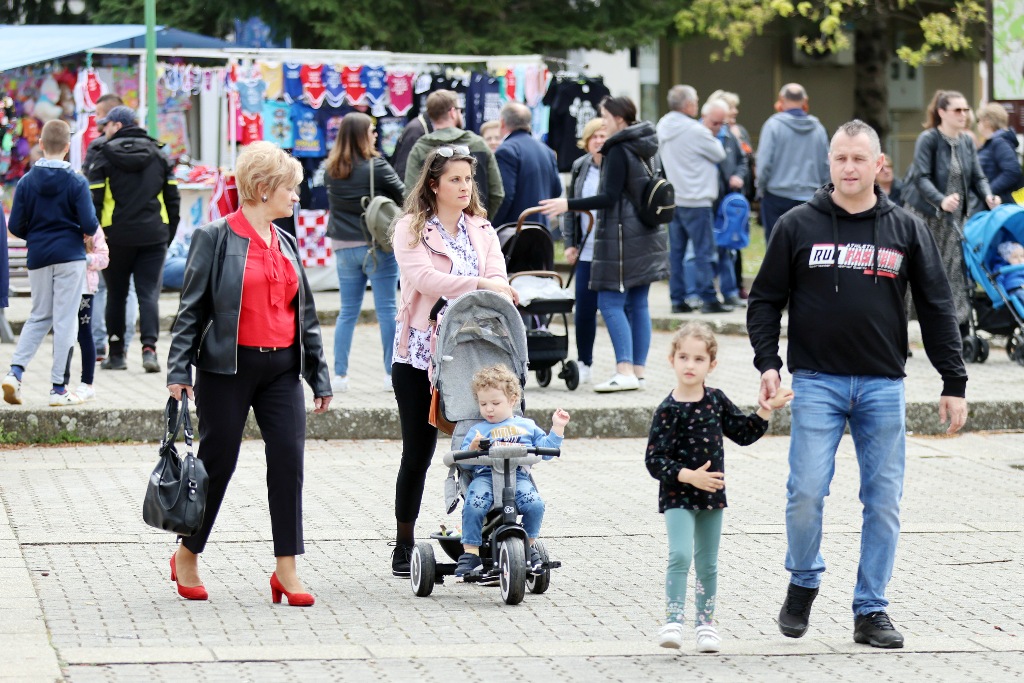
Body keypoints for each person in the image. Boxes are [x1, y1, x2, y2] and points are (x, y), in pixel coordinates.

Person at [747, 120, 969, 649]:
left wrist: (953, 380)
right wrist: (768, 362)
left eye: (859, 158)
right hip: (816, 382)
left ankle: (871, 609)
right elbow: (765, 300)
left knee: (884, 501)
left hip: (883, 385)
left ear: (878, 165)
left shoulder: (906, 228)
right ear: (829, 163)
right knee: (805, 492)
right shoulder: (797, 225)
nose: (849, 167)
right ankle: (804, 580)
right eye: (841, 158)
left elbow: (937, 307)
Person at [165, 142, 332, 605]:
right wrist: (178, 369)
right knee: (218, 464)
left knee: (288, 464)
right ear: (262, 189)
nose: (296, 196)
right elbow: (190, 310)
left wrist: (319, 376)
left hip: (283, 370)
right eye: (290, 188)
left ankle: (286, 569)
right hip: (227, 368)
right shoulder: (215, 237)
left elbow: (305, 316)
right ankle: (187, 553)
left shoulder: (286, 242)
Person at [389, 145, 518, 577]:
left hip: (473, 351)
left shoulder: (482, 228)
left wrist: (492, 284)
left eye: (468, 179)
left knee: (486, 447)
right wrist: (481, 283)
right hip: (419, 354)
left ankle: (482, 538)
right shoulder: (410, 228)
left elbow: (498, 275)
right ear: (433, 185)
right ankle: (404, 542)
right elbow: (424, 278)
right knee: (418, 453)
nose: (465, 187)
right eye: (455, 180)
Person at [648, 322, 792, 652]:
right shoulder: (667, 410)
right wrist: (688, 475)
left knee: (708, 563)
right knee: (680, 555)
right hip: (677, 495)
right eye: (684, 357)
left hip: (712, 496)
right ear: (672, 360)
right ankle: (673, 621)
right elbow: (655, 460)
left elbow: (743, 432)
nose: (690, 365)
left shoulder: (716, 400)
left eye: (699, 359)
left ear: (711, 365)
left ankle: (705, 625)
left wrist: (766, 408)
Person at [539, 96, 669, 393]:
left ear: (619, 118)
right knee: (639, 303)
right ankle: (638, 371)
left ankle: (624, 371)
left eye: (605, 116)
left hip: (621, 237)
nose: (603, 122)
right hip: (649, 234)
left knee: (610, 302)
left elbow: (609, 197)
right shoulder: (648, 145)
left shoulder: (618, 148)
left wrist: (567, 204)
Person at [2, 120, 98, 406]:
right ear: (67, 147)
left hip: (39, 256)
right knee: (65, 319)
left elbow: (15, 225)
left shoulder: (26, 182)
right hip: (70, 257)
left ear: (41, 144)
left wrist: (37, 235)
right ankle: (58, 388)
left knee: (39, 316)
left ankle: (15, 372)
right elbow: (90, 224)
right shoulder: (77, 182)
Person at [453, 364, 570, 578]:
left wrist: (558, 427)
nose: (489, 409)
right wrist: (473, 449)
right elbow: (464, 464)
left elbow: (547, 451)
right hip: (486, 476)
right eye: (483, 404)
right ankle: (471, 553)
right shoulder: (477, 430)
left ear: (512, 400)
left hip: (518, 475)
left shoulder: (526, 426)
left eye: (495, 403)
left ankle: (528, 544)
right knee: (473, 504)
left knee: (535, 504)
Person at [88, 105, 180, 373]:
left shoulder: (103, 156)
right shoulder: (159, 154)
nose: (103, 130)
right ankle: (149, 350)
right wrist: (166, 235)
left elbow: (93, 202)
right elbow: (173, 200)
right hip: (153, 236)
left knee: (116, 294)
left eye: (106, 125)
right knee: (148, 294)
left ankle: (117, 354)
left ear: (117, 125)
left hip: (115, 236)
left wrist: (96, 237)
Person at [903, 90, 1000, 340]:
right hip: (925, 215)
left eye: (966, 110)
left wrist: (988, 195)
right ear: (942, 112)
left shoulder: (966, 141)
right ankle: (899, 328)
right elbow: (921, 177)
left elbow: (977, 176)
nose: (964, 115)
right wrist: (941, 200)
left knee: (955, 271)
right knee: (917, 273)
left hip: (954, 218)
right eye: (958, 110)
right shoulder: (929, 139)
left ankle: (958, 328)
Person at [324, 112, 404, 394]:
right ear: (361, 135)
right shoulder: (376, 167)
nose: (375, 134)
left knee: (347, 312)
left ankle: (340, 376)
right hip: (376, 246)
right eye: (371, 130)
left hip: (344, 247)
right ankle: (390, 374)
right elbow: (405, 194)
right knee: (387, 310)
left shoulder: (331, 169)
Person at [657, 86, 729, 314]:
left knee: (676, 253)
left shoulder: (662, 126)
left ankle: (677, 299)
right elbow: (719, 153)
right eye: (695, 101)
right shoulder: (696, 130)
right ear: (688, 105)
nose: (697, 104)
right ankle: (708, 297)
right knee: (703, 251)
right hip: (697, 199)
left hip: (674, 199)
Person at [403, 90, 504, 220]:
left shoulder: (420, 148)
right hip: (475, 221)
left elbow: (410, 195)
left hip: (432, 226)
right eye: (460, 110)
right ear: (452, 112)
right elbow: (497, 193)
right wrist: (481, 219)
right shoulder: (478, 144)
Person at [561, 118, 607, 385]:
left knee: (613, 309)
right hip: (586, 250)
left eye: (603, 136)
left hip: (611, 252)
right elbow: (571, 209)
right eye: (594, 137)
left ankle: (625, 365)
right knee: (584, 310)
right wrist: (570, 243)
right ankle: (584, 361)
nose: (599, 141)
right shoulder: (581, 166)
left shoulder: (615, 166)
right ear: (587, 142)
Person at [755, 84, 830, 241]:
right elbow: (826, 166)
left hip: (777, 196)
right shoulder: (818, 129)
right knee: (806, 246)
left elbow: (764, 164)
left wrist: (761, 188)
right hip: (810, 197)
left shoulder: (773, 126)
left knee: (776, 245)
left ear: (781, 100)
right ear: (805, 101)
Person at [492, 102, 562, 230]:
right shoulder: (547, 151)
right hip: (542, 230)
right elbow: (557, 190)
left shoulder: (506, 151)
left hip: (514, 230)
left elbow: (504, 196)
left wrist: (491, 225)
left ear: (502, 122)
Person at [75, 226, 109, 401]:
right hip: (63, 289)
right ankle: (59, 384)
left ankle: (87, 383)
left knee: (85, 334)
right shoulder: (62, 221)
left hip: (85, 290)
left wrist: (86, 258)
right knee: (64, 335)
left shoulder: (93, 228)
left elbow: (104, 258)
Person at [976, 103, 1023, 205]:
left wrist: (988, 192)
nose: (977, 125)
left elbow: (1012, 171)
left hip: (998, 204)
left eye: (978, 121)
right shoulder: (994, 142)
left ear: (987, 121)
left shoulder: (999, 142)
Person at [995, 241, 1024, 306]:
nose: (1020, 260)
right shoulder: (1003, 267)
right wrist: (1000, 288)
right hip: (1015, 287)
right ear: (1006, 258)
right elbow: (998, 278)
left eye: (1022, 256)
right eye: (1015, 257)